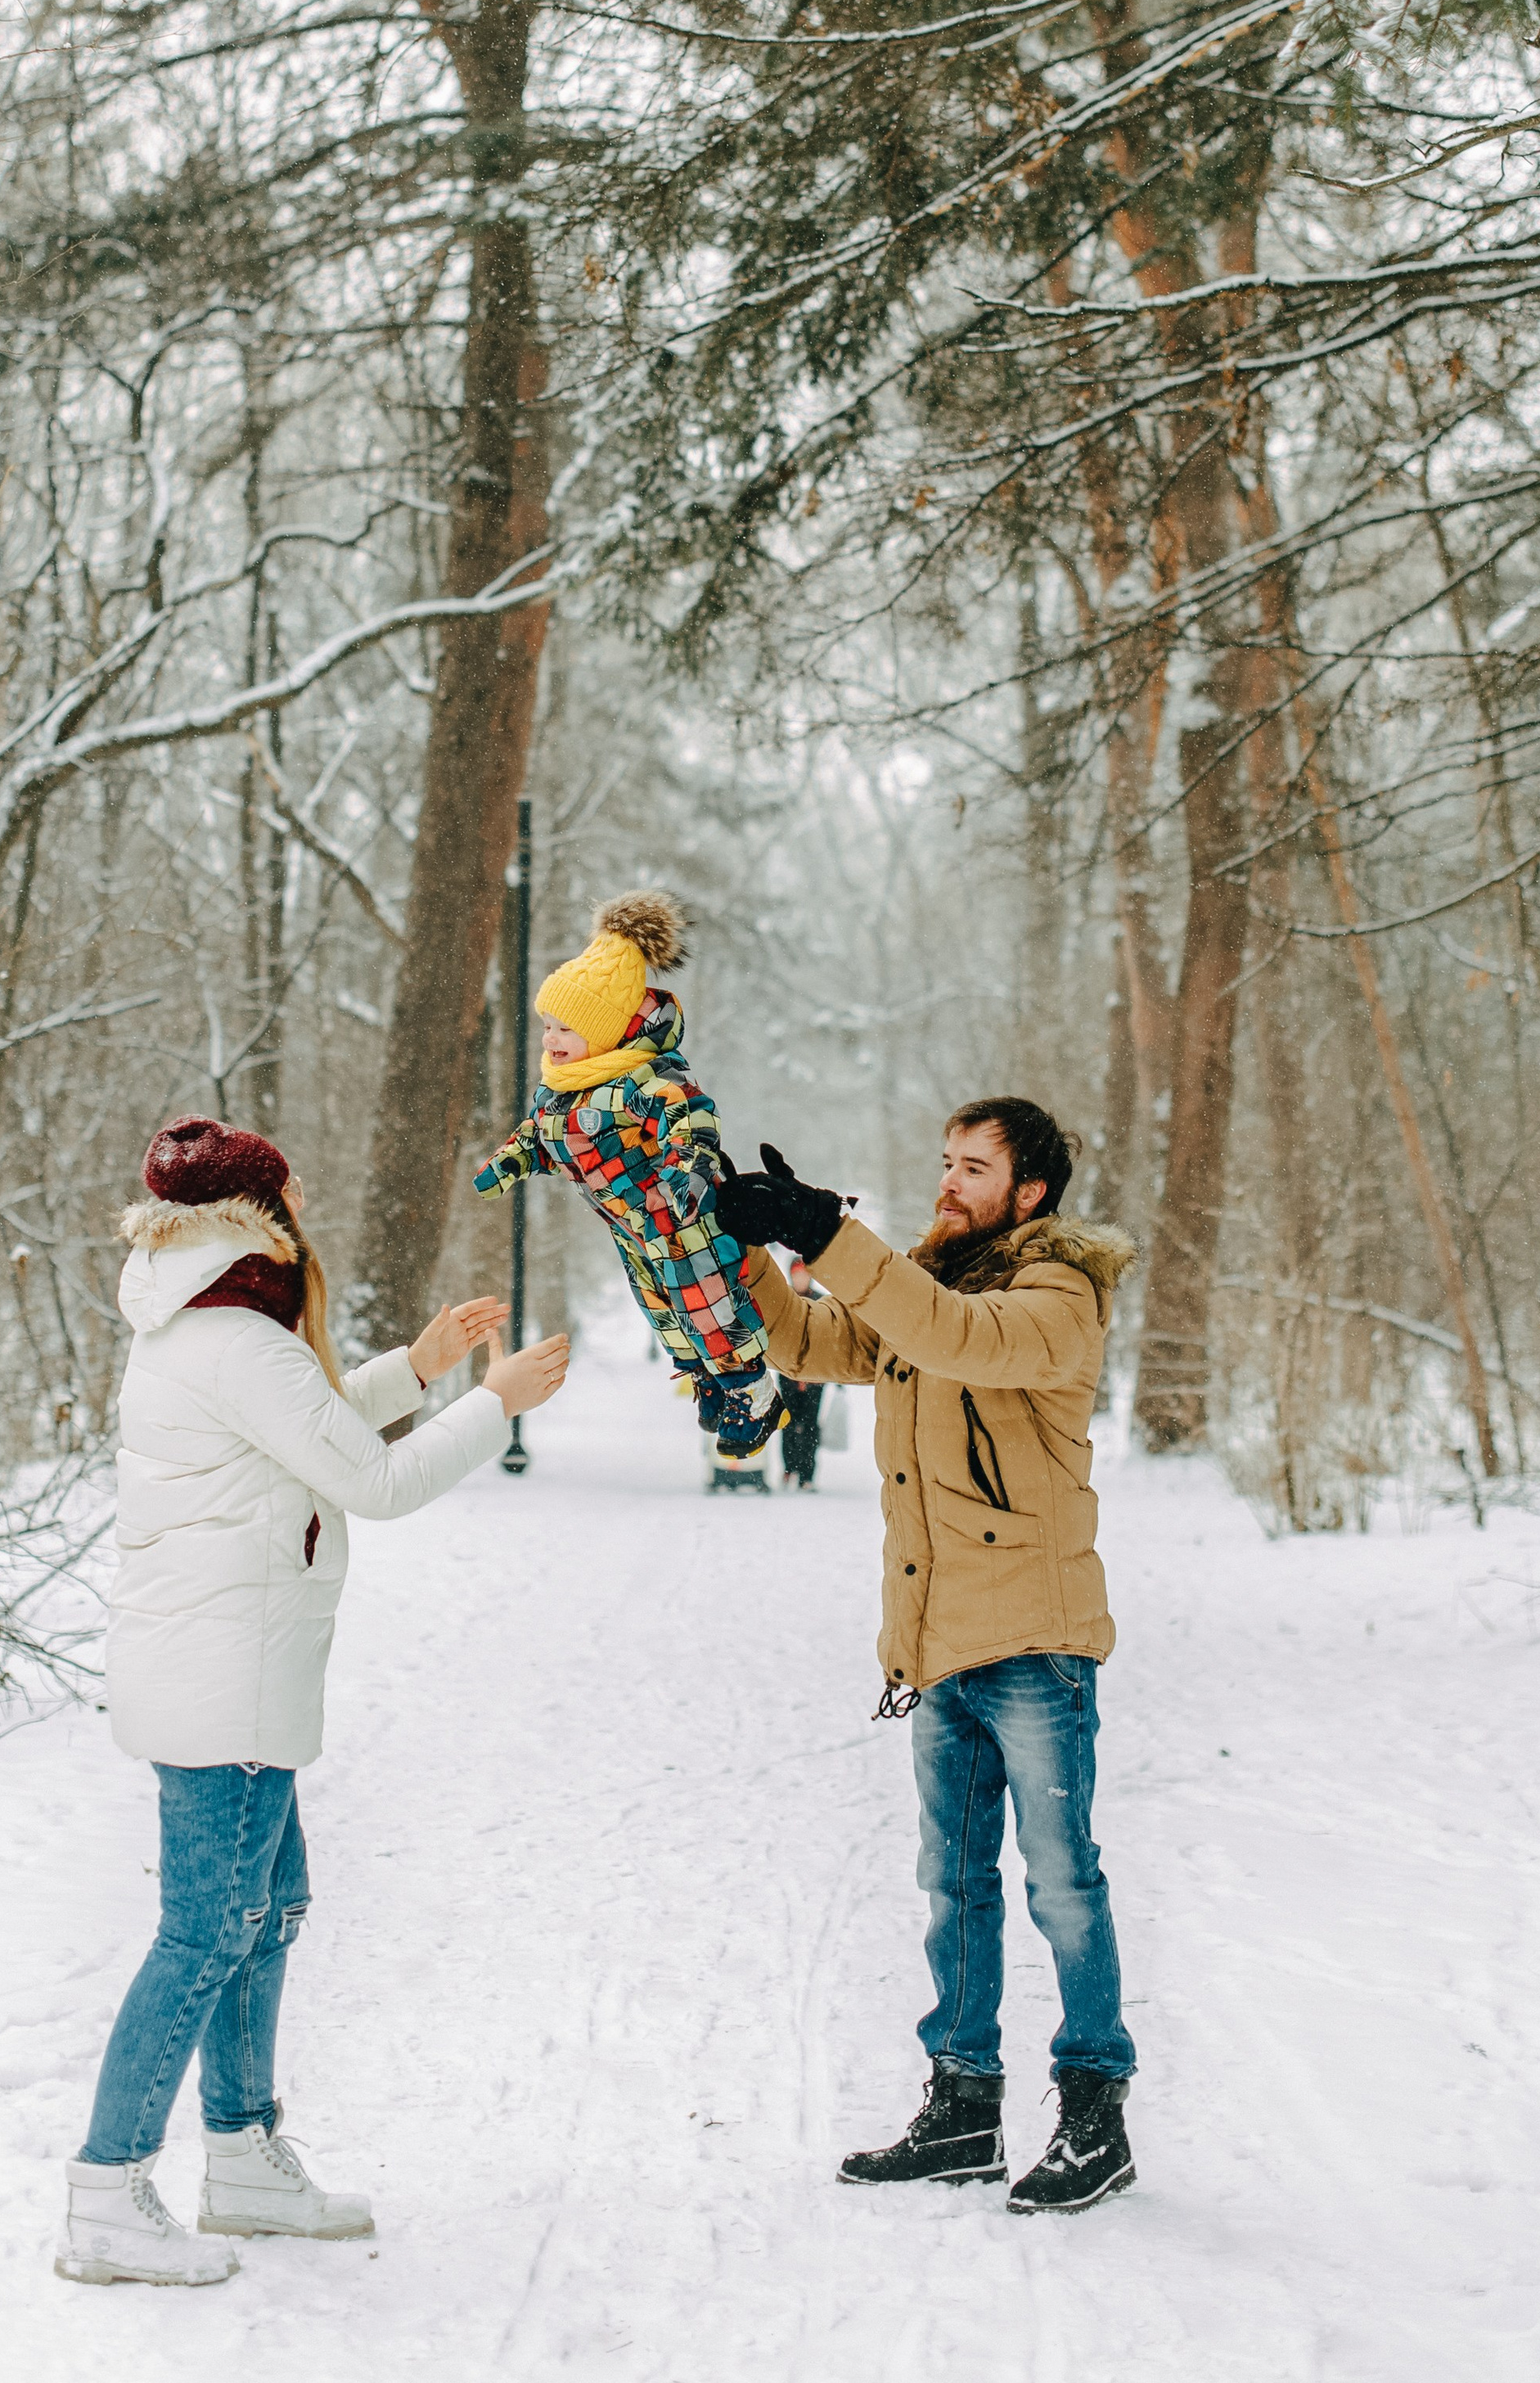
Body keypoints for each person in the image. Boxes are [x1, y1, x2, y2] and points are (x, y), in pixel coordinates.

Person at [58, 1115, 569, 2289]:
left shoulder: (208, 1319)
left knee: (268, 1906)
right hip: (223, 1680)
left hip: (222, 1667)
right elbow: (373, 1476)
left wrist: (425, 1361)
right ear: (261, 1209)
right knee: (205, 1931)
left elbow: (310, 1422)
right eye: (290, 1188)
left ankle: (240, 2156)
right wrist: (496, 1401)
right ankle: (105, 2188)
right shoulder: (242, 1335)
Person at [718, 1101, 1140, 2215]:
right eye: (945, 1163)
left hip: (1035, 1643)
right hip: (935, 1641)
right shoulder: (921, 1278)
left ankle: (1096, 2109)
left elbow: (957, 1334)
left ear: (1032, 1189)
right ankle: (963, 2102)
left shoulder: (1057, 1298)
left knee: (1062, 1884)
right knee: (953, 1883)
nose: (949, 1181)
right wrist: (751, 1248)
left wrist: (828, 1234)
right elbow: (812, 1340)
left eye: (975, 1167)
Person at [475, 891, 782, 1463]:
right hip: (632, 1225)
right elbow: (542, 1137)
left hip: (681, 1213)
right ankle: (707, 1376)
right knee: (661, 1306)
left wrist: (689, 1167)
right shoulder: (561, 1094)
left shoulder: (644, 1077)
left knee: (707, 1301)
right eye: (546, 1026)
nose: (550, 1040)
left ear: (608, 1029)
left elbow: (689, 1115)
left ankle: (754, 1391)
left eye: (565, 1028)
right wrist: (510, 1163)